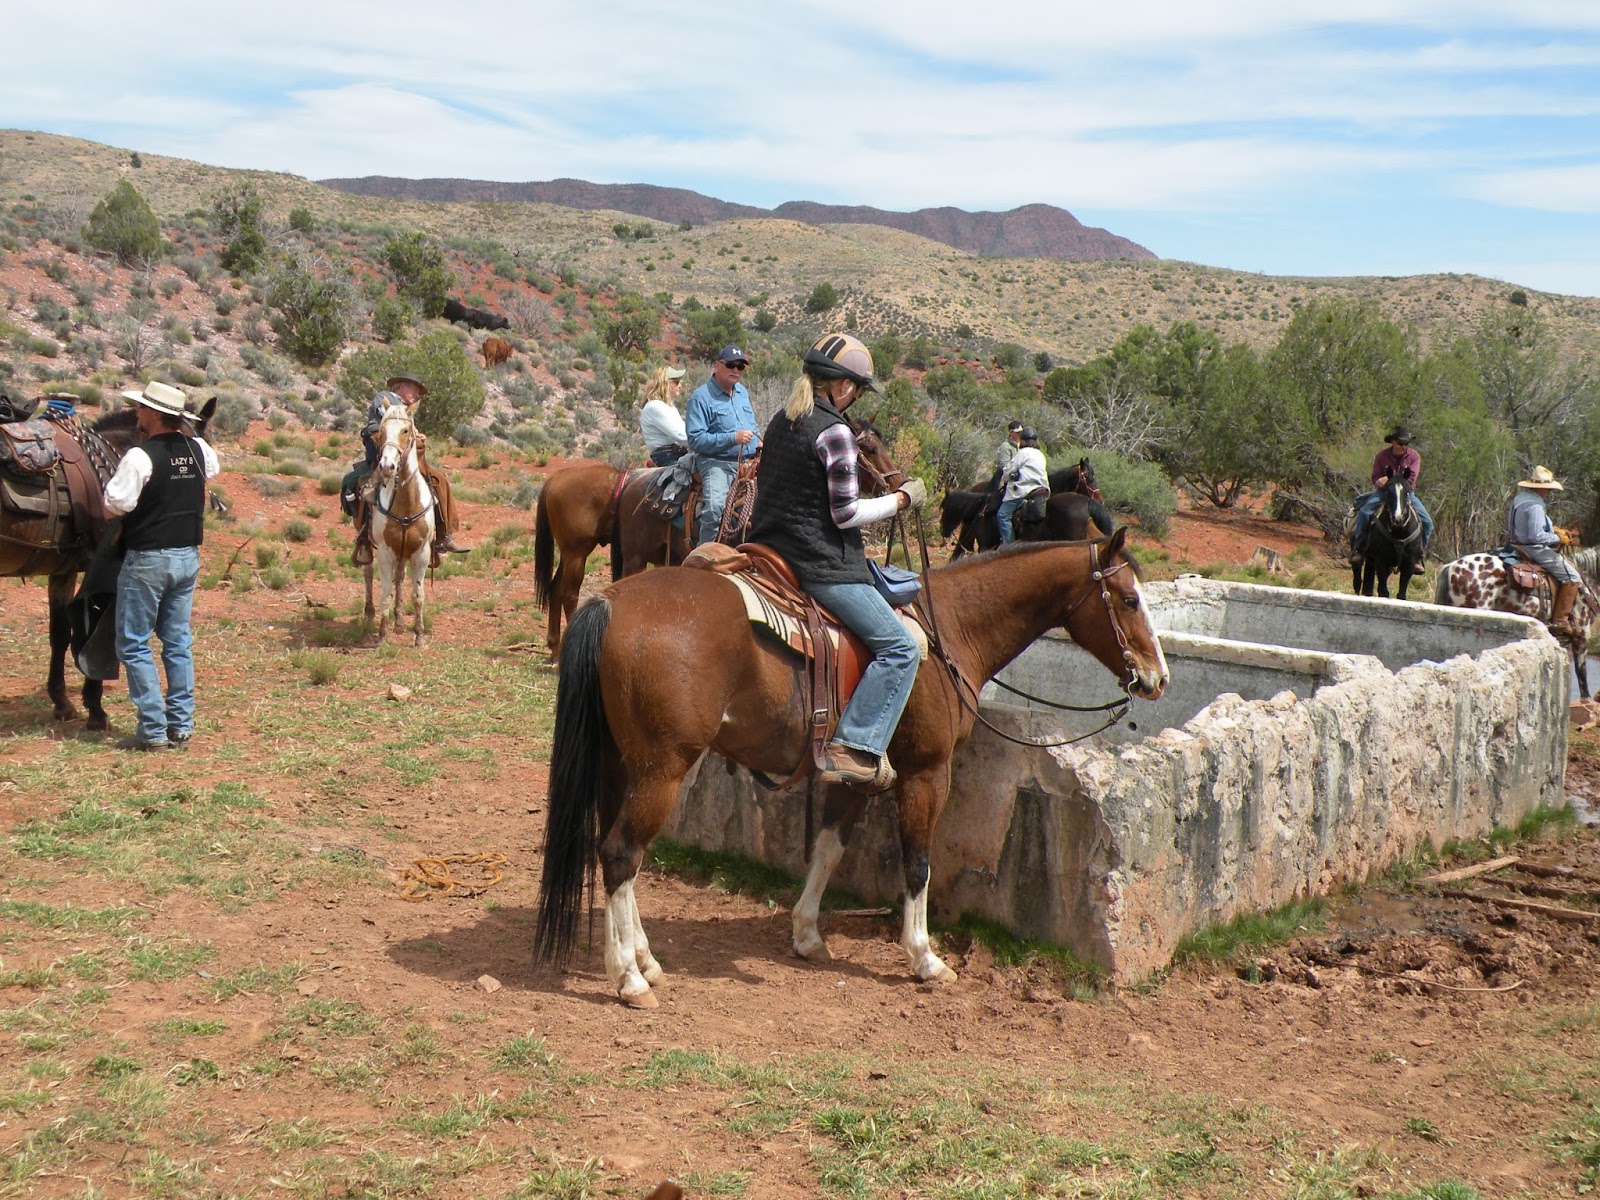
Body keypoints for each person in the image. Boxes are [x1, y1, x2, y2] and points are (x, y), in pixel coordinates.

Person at [747, 333, 927, 790]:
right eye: (859, 390)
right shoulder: (835, 432)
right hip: (818, 564)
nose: (856, 399)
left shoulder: (780, 420)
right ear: (844, 387)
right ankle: (855, 746)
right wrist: (901, 500)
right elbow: (846, 513)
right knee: (901, 648)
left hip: (770, 551)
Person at [102, 381, 220, 751]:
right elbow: (210, 470)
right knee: (177, 641)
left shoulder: (139, 456)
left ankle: (152, 730)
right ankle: (180, 726)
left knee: (135, 644)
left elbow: (113, 505)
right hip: (188, 556)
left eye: (141, 409)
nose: (137, 413)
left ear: (154, 414)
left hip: (148, 558)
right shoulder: (199, 449)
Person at [356, 373, 470, 564]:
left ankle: (442, 536)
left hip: (408, 456)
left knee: (439, 480)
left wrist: (418, 437)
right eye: (415, 389)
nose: (417, 395)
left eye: (419, 392)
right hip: (383, 447)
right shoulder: (384, 398)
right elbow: (388, 426)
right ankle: (364, 539)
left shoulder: (409, 410)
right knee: (366, 488)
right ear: (402, 386)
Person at [685, 345, 761, 545]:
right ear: (717, 365)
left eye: (740, 367)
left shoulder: (742, 392)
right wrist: (732, 438)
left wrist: (759, 440)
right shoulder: (701, 397)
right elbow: (695, 440)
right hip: (716, 463)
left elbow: (751, 424)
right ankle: (703, 558)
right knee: (715, 507)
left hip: (749, 462)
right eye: (731, 365)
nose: (736, 370)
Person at [1508, 465, 1583, 638]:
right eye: (1548, 489)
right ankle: (1560, 621)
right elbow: (1536, 536)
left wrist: (1554, 530)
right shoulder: (1534, 505)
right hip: (1532, 548)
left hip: (1516, 544)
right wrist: (1558, 538)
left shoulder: (1521, 498)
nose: (1549, 492)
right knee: (1573, 576)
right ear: (1542, 488)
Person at [1352, 426, 1434, 559]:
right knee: (1364, 513)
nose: (1404, 446)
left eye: (1406, 444)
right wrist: (1380, 481)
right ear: (1393, 442)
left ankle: (1418, 554)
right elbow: (1375, 477)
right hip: (1384, 493)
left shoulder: (1414, 457)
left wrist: (1389, 478)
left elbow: (1411, 478)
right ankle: (1359, 549)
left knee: (1427, 522)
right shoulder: (1381, 456)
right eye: (1401, 443)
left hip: (1405, 494)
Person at [995, 427, 1048, 545]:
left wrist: (1006, 478)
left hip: (1024, 491)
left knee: (1002, 515)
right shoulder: (1040, 455)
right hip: (1042, 490)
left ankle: (1008, 546)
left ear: (1022, 440)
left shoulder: (1023, 453)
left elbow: (1008, 470)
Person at [638, 364, 689, 467]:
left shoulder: (666, 407)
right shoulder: (655, 407)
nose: (680, 385)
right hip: (668, 456)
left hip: (676, 454)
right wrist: (705, 444)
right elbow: (681, 435)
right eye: (676, 382)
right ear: (665, 384)